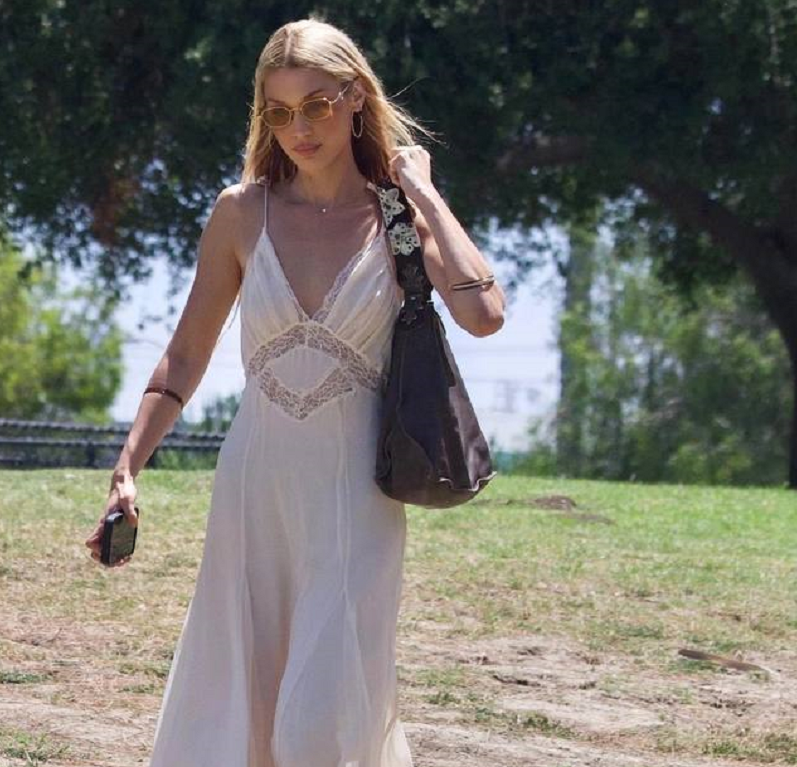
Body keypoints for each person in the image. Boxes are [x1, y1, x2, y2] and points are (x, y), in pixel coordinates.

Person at [85, 16, 505, 767]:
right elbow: (185, 354)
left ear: (355, 97)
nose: (299, 129)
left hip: (355, 498)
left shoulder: (397, 215)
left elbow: (484, 314)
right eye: (279, 112)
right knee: (240, 706)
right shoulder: (241, 213)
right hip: (255, 488)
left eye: (316, 105)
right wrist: (128, 467)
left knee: (317, 725)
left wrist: (421, 192)